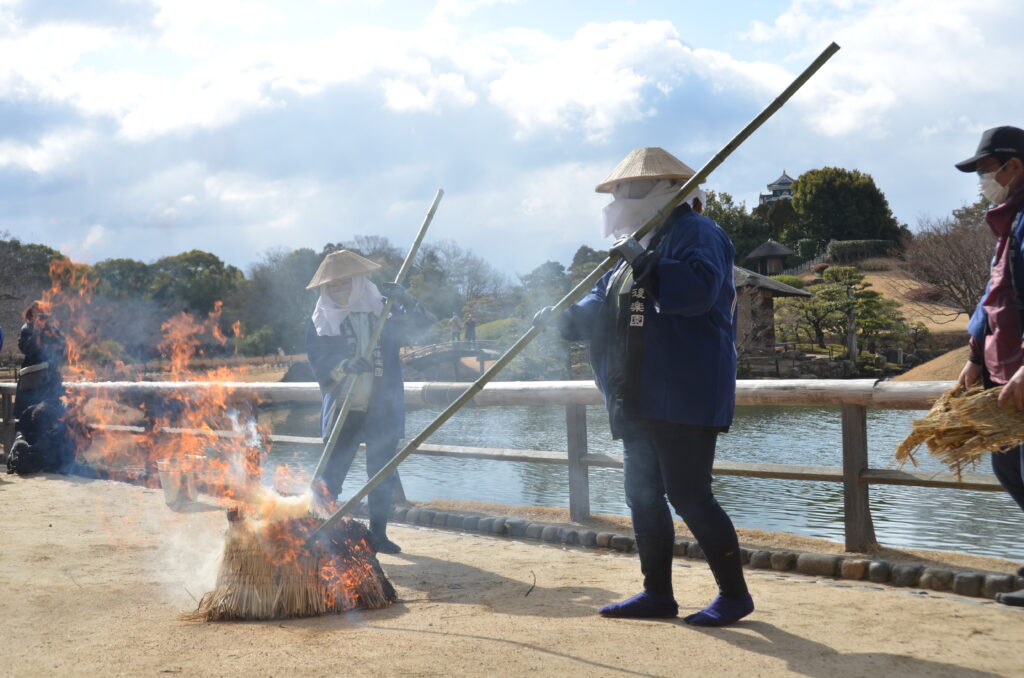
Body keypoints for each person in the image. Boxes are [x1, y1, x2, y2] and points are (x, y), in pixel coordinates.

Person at [535, 147, 753, 626]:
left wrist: (643, 260)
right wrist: (561, 320)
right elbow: (600, 305)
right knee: (643, 493)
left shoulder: (697, 232)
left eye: (625, 190)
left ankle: (734, 595)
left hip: (684, 388)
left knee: (689, 493)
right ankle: (657, 594)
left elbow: (695, 293)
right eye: (615, 191)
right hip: (635, 390)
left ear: (656, 191)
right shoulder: (636, 242)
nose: (617, 199)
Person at [305, 250, 434, 553]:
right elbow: (318, 358)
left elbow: (424, 326)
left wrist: (408, 300)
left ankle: (378, 534)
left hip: (381, 407)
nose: (338, 290)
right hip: (343, 407)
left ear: (359, 282)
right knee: (331, 475)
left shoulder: (384, 311)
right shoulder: (321, 320)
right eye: (332, 286)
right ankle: (320, 532)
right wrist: (343, 365)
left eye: (344, 283)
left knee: (381, 475)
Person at [954, 125, 1024, 607]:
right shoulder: (1008, 220)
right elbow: (992, 296)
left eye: (985, 169)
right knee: (1008, 469)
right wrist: (975, 356)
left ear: (1013, 166)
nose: (983, 179)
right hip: (1003, 376)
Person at [8, 302, 74, 474]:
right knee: (28, 420)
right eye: (39, 315)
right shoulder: (27, 330)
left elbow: (63, 352)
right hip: (32, 385)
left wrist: (52, 333)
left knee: (50, 419)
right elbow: (29, 350)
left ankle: (45, 458)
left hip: (50, 383)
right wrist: (37, 331)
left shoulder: (54, 331)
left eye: (45, 315)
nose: (43, 319)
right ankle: (24, 457)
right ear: (31, 316)